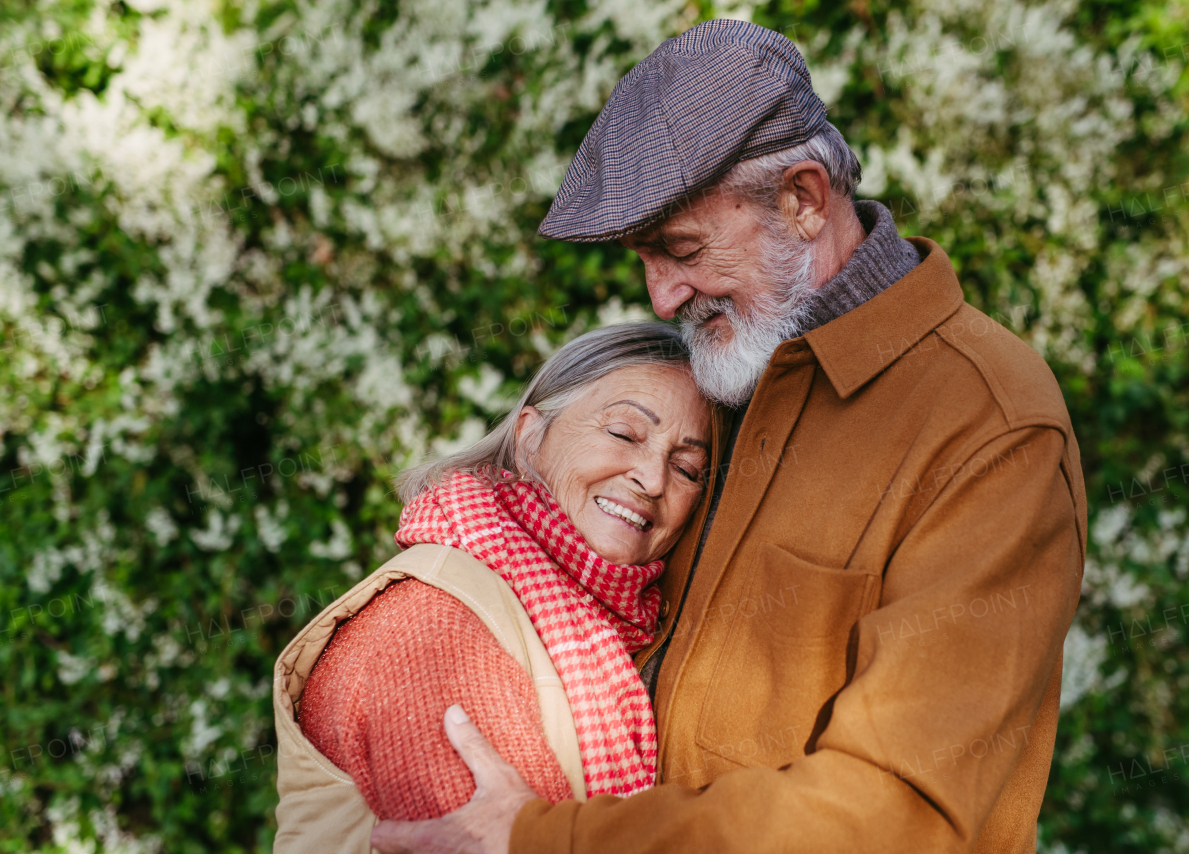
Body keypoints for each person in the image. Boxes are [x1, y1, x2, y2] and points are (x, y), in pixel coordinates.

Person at [370, 18, 1089, 854]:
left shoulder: (989, 426)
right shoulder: (722, 374)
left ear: (804, 199)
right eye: (645, 258)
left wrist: (549, 840)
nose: (664, 297)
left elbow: (900, 814)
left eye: (681, 249)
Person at [270, 323, 712, 853]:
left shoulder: (604, 630)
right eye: (623, 433)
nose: (654, 479)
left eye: (687, 467)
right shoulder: (432, 629)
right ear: (529, 437)